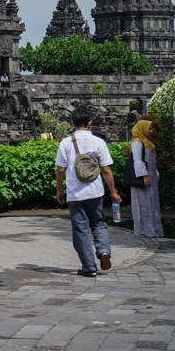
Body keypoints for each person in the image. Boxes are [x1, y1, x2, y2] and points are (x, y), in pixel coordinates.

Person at [55, 108, 121, 277]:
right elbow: (106, 170)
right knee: (99, 223)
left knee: (81, 229)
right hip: (95, 191)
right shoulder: (98, 142)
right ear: (90, 123)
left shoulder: (65, 143)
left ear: (72, 124)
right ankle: (104, 252)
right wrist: (113, 191)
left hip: (75, 194)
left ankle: (89, 267)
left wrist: (59, 191)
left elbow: (61, 170)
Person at [129, 119, 163, 237]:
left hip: (151, 176)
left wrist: (156, 173)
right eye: (150, 129)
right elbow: (138, 161)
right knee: (142, 203)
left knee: (152, 203)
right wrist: (144, 175)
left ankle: (154, 229)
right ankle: (144, 230)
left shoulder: (147, 142)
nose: (152, 131)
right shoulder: (137, 142)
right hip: (144, 177)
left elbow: (150, 160)